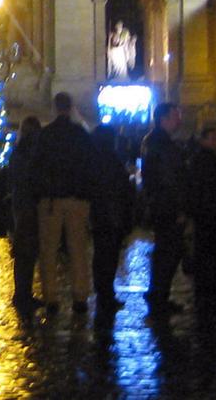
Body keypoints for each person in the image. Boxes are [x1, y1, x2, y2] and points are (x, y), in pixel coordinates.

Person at [33, 92, 95, 317]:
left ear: (54, 107)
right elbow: (90, 165)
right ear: (71, 108)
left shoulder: (45, 135)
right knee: (77, 248)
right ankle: (80, 296)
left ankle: (51, 297)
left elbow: (36, 166)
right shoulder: (80, 134)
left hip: (51, 199)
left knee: (48, 250)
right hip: (77, 199)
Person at [139, 103, 186, 314]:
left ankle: (157, 293)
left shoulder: (152, 140)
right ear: (164, 119)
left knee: (163, 251)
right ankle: (159, 297)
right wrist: (179, 208)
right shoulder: (163, 144)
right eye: (176, 115)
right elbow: (170, 179)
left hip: (160, 203)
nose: (179, 119)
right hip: (167, 205)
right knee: (169, 252)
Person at [88, 125, 134, 314]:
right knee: (109, 257)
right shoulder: (111, 159)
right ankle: (106, 294)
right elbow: (119, 189)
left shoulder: (94, 159)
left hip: (100, 215)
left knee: (101, 256)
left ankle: (104, 293)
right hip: (112, 214)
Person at [185, 125, 216, 314]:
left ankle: (205, 290)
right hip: (208, 213)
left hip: (204, 212)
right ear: (205, 140)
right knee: (209, 253)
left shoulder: (200, 158)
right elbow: (208, 188)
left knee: (205, 252)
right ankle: (208, 291)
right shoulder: (206, 159)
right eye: (214, 139)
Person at [7, 116, 43, 314]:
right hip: (30, 204)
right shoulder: (33, 152)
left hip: (21, 203)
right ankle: (22, 295)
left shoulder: (18, 151)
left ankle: (23, 293)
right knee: (27, 252)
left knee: (24, 252)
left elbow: (13, 177)